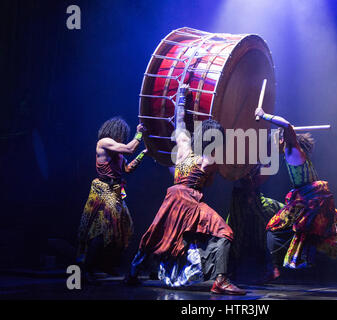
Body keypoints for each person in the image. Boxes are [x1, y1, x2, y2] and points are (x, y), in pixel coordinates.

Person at [126, 84, 246, 295]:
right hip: (189, 201)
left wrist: (182, 95)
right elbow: (231, 168)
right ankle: (221, 280)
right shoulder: (208, 160)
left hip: (172, 197)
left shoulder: (183, 147)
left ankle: (133, 273)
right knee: (224, 232)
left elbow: (180, 122)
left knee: (157, 233)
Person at [255, 107, 337, 281]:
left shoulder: (292, 149)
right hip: (316, 200)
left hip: (310, 202)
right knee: (312, 235)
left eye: (275, 140)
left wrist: (263, 115)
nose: (274, 145)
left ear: (282, 139)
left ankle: (274, 268)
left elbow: (286, 126)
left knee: (273, 227)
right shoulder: (295, 152)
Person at [77, 117, 147, 281]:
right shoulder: (104, 142)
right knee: (101, 229)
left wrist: (143, 154)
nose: (123, 136)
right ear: (117, 131)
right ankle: (87, 269)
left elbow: (127, 169)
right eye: (123, 133)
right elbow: (129, 149)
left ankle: (106, 265)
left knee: (123, 227)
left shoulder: (117, 153)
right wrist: (139, 136)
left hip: (115, 191)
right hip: (103, 191)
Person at [227, 164, 284, 280]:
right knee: (236, 231)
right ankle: (231, 268)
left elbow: (265, 171)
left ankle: (272, 266)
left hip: (254, 198)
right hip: (241, 198)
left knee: (264, 223)